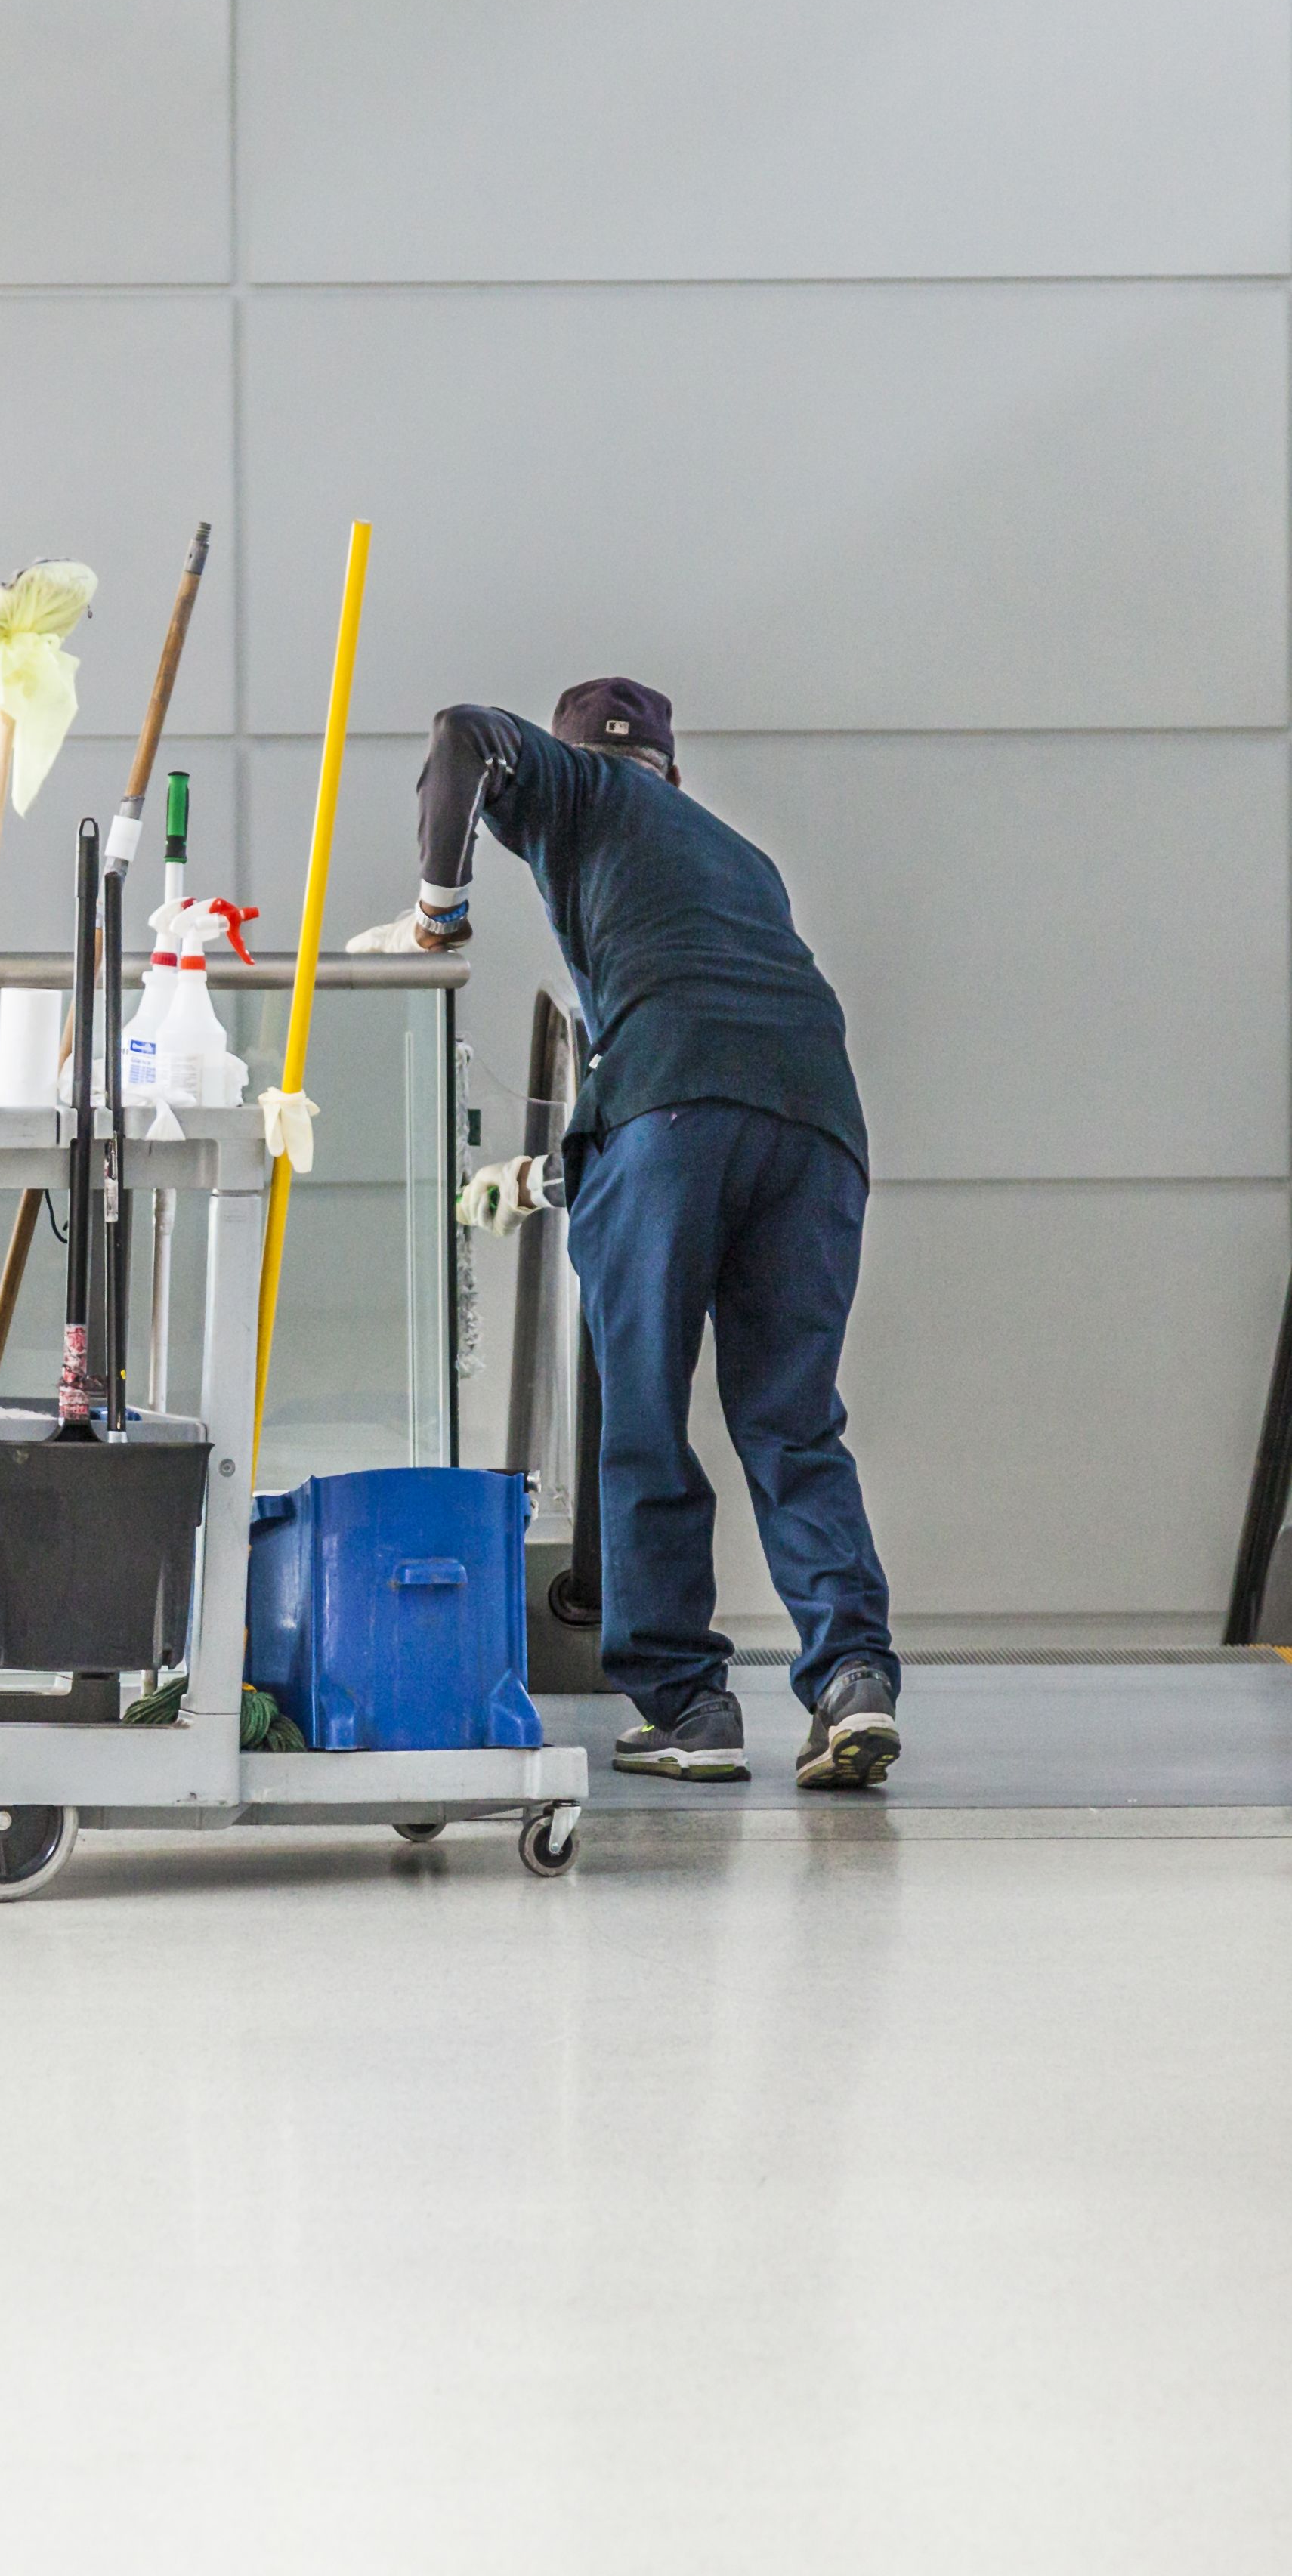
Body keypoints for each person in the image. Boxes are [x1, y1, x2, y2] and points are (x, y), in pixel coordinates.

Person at [351, 679, 898, 1788]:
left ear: (570, 763)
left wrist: (438, 912)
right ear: (675, 774)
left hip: (672, 1117)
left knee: (641, 1415)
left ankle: (688, 1705)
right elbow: (706, 1078)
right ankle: (853, 1682)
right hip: (820, 1128)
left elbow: (461, 736)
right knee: (792, 1425)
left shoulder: (577, 790)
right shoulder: (742, 861)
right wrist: (542, 1179)